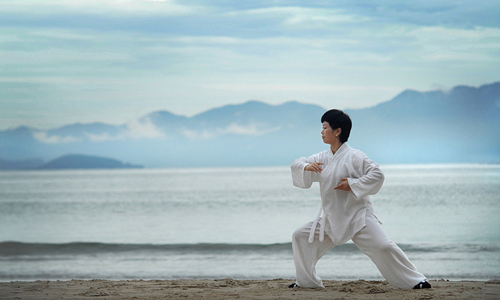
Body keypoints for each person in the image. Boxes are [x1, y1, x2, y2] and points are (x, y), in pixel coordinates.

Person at [289, 109, 431, 290]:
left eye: (325, 127)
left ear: (337, 131)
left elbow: (377, 175)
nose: (322, 131)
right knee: (300, 236)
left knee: (383, 246)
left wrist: (353, 184)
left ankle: (415, 280)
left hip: (358, 217)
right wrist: (307, 167)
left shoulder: (355, 156)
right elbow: (297, 163)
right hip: (332, 219)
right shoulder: (322, 158)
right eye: (322, 128)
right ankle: (307, 282)